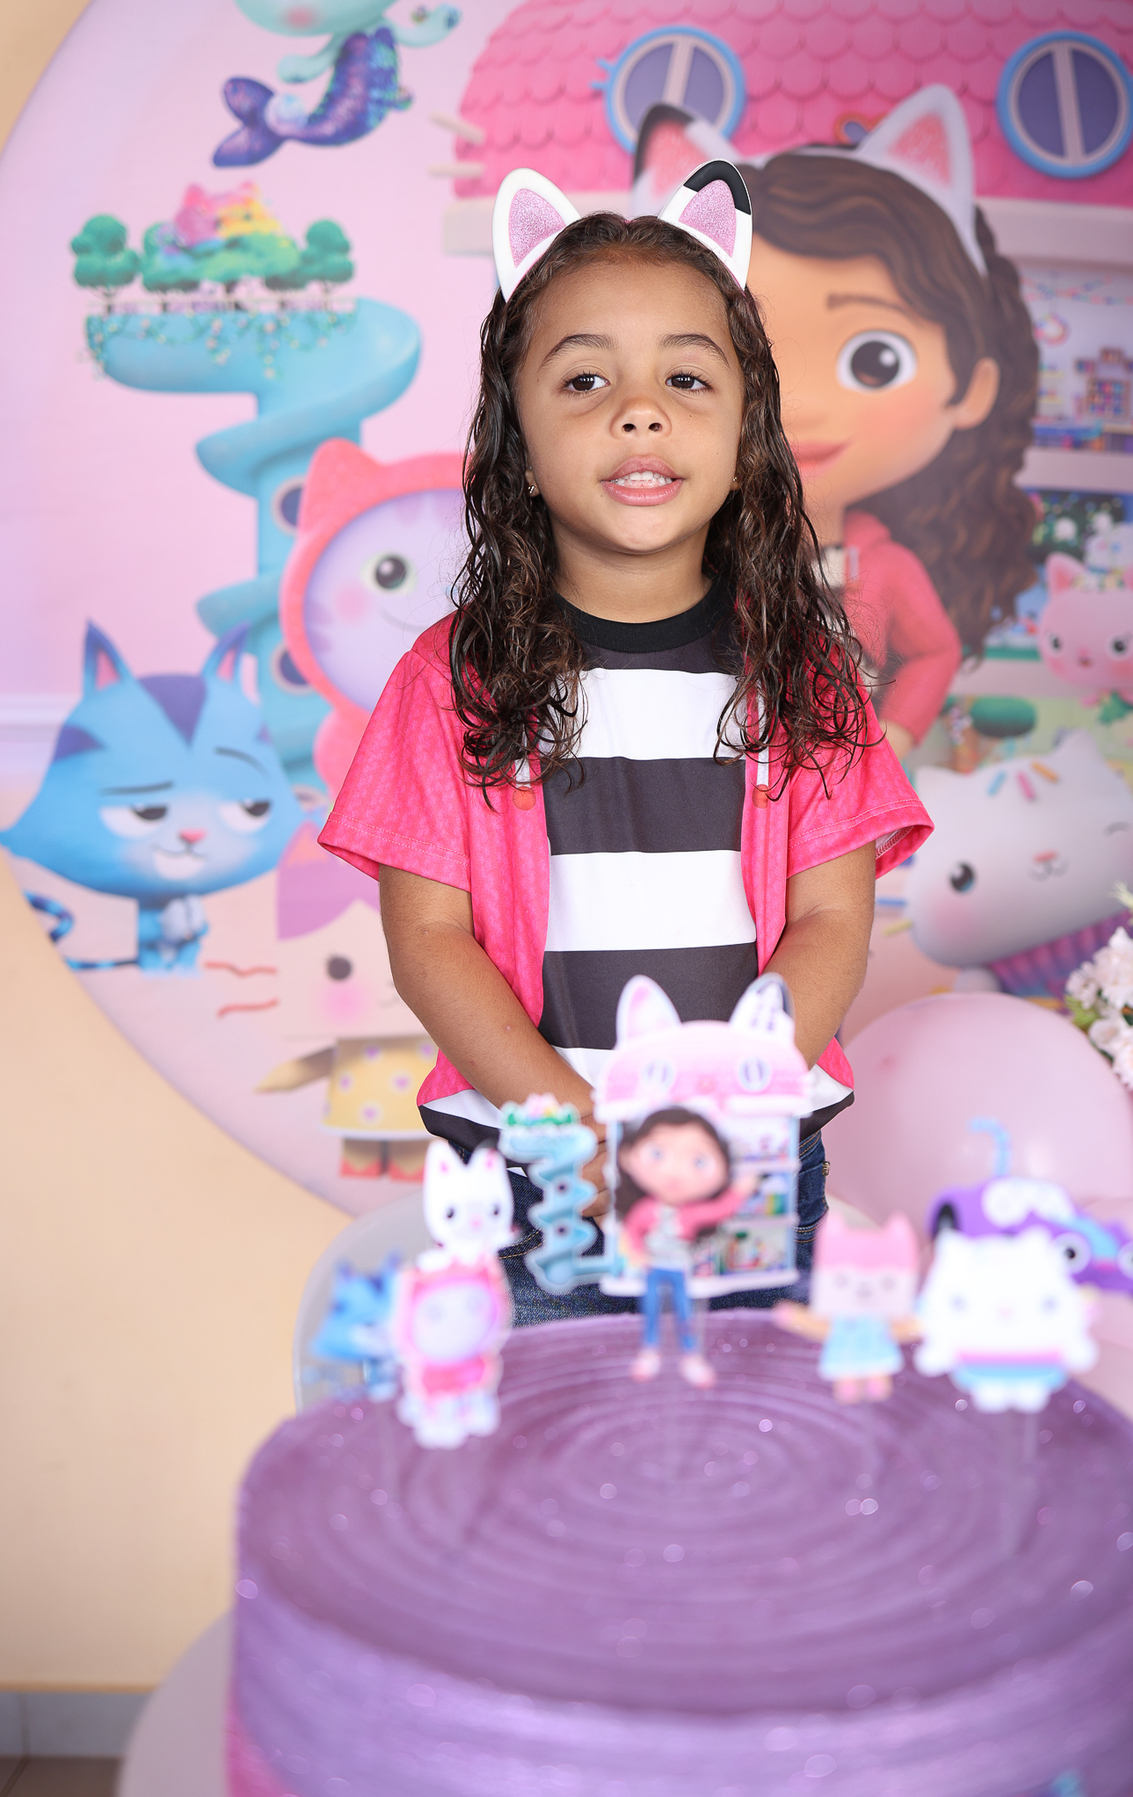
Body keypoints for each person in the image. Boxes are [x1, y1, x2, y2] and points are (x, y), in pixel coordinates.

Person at [319, 162, 931, 1326]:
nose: (639, 411)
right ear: (517, 438)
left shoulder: (804, 675)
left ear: (748, 432)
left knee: (742, 1424)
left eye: (686, 378)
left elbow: (834, 919)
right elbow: (429, 941)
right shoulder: (448, 681)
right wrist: (579, 1130)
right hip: (536, 1165)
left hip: (745, 1155)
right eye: (585, 378)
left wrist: (727, 1108)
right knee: (556, 1431)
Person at [739, 88, 1040, 758]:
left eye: (875, 360)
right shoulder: (714, 553)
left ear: (972, 389)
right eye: (750, 356)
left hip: (843, 780)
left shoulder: (888, 567)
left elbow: (934, 651)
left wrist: (894, 740)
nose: (800, 405)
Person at [616, 1108, 754, 1387]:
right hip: (653, 1268)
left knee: (685, 1311)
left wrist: (740, 1191)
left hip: (680, 1270)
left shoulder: (692, 1213)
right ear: (628, 1156)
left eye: (698, 1160)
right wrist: (635, 1253)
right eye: (657, 1153)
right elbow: (631, 1231)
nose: (676, 1171)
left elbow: (720, 1209)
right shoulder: (645, 1209)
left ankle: (690, 1355)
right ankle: (650, 1351)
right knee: (651, 1309)